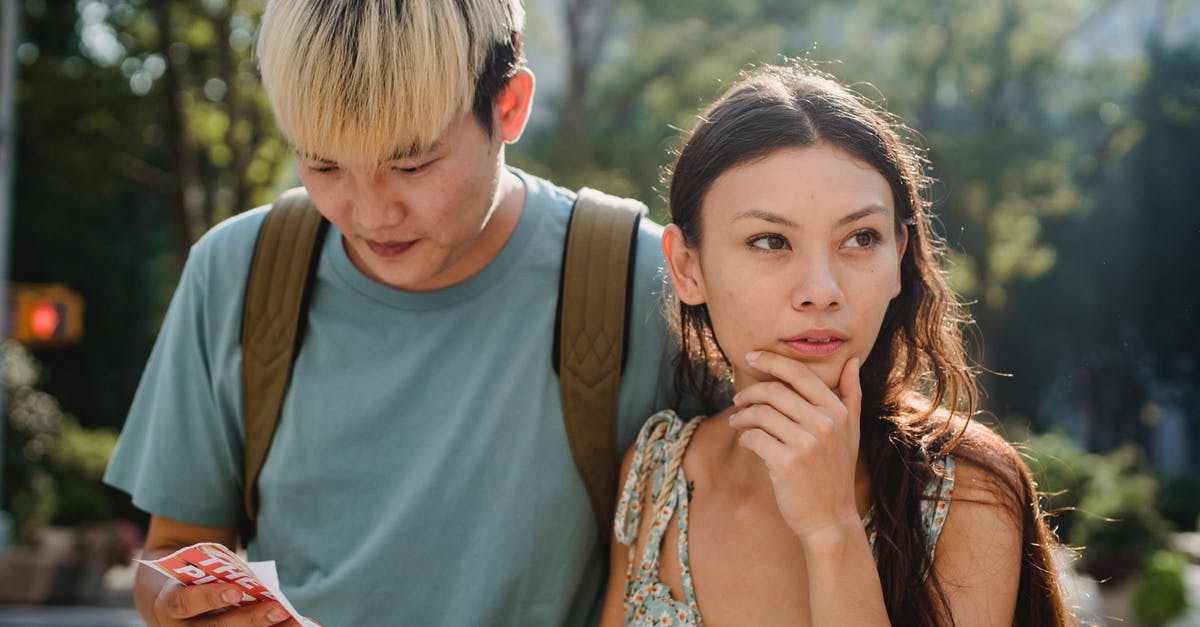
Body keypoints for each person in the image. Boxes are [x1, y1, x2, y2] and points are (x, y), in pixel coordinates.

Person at [103, 1, 677, 625]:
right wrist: (181, 604)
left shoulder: (645, 284)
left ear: (508, 106)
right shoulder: (236, 272)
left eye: (411, 165)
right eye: (324, 164)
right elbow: (172, 549)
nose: (370, 216)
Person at [598, 65, 1074, 626]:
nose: (821, 292)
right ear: (686, 265)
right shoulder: (658, 475)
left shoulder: (967, 488)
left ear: (898, 256)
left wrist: (831, 531)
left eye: (859, 238)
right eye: (770, 241)